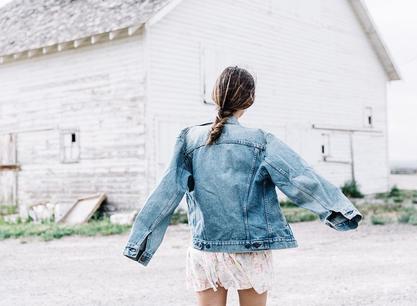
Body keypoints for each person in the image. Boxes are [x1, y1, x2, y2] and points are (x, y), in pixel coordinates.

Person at [123, 66, 363, 306]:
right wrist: (340, 211)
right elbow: (300, 178)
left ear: (215, 96)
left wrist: (140, 241)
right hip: (251, 249)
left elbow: (166, 193)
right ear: (249, 100)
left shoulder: (189, 139)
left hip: (205, 250)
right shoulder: (262, 141)